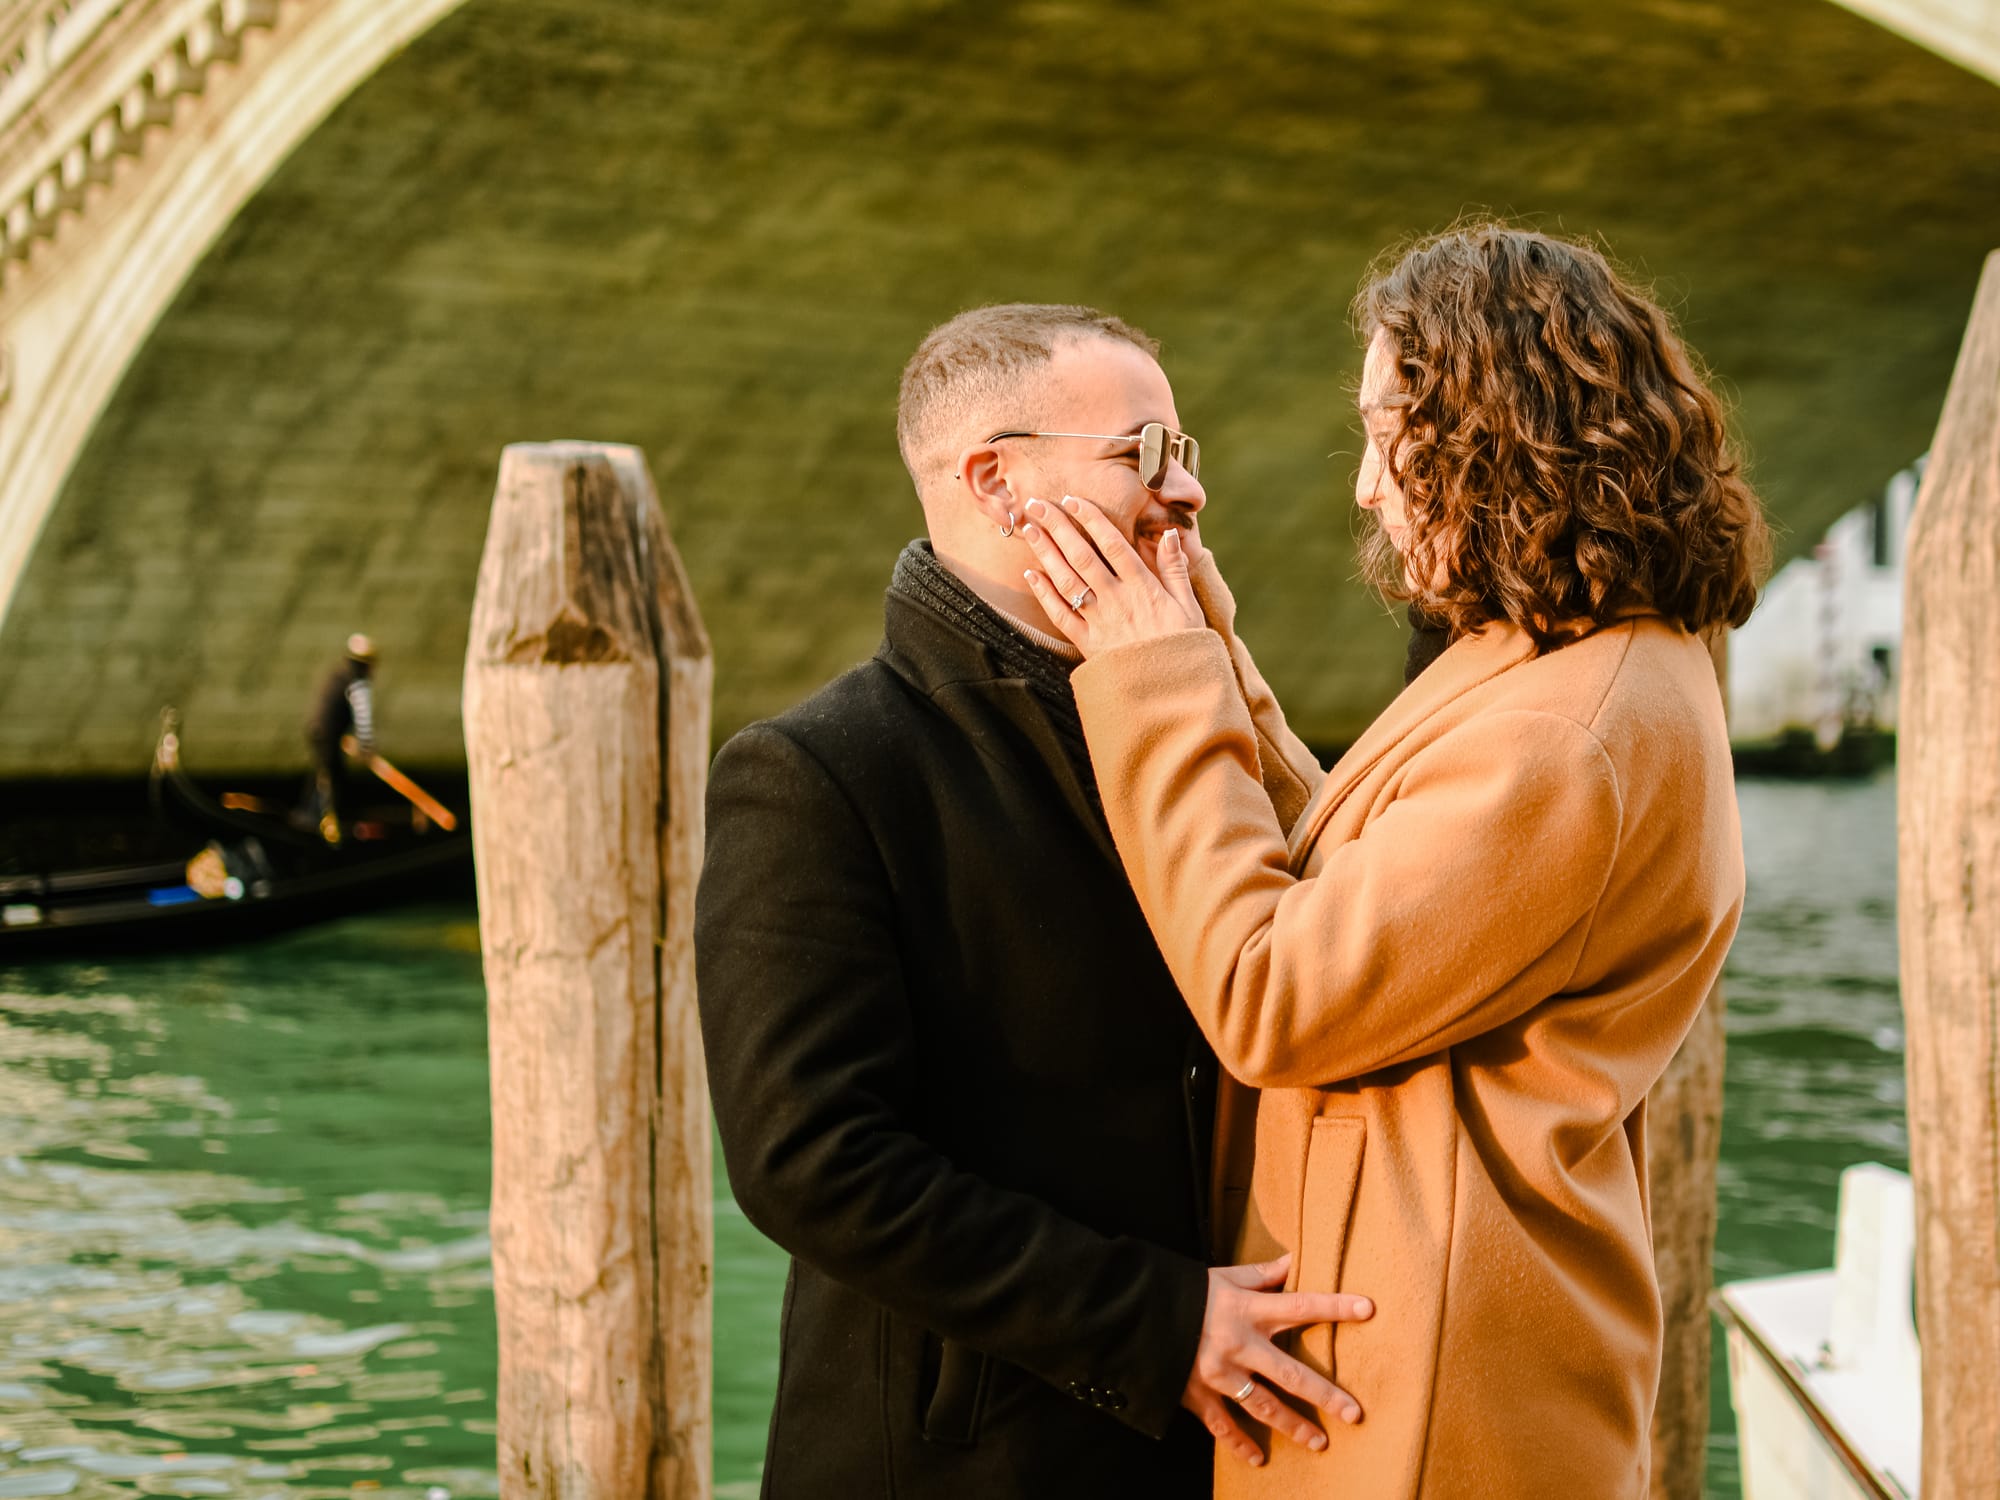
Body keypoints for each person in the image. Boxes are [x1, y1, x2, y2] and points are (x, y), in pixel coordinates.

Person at [1018, 224, 1772, 1497]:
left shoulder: (1564, 730)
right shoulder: (1563, 663)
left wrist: (1150, 683)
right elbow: (1378, 869)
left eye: (1388, 433)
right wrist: (1214, 662)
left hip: (1419, 1396)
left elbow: (1277, 989)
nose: (1366, 484)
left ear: (1494, 433)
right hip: (1411, 1346)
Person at [694, 304, 1374, 1499]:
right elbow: (807, 1161)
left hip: (1224, 1445)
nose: (1185, 494)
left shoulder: (1178, 719)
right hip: (968, 1461)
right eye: (1138, 456)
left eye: (1184, 453)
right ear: (995, 481)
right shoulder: (815, 771)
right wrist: (1157, 1324)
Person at [304, 633, 378, 843]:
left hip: (318, 732)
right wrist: (366, 748)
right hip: (329, 735)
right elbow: (363, 718)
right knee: (334, 776)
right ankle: (334, 826)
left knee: (321, 773)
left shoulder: (337, 675)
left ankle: (309, 818)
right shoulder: (358, 683)